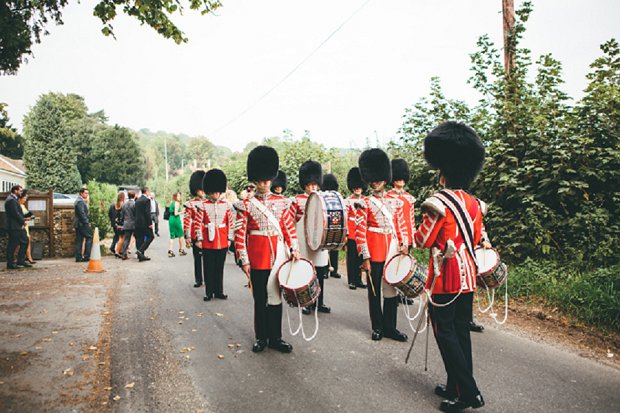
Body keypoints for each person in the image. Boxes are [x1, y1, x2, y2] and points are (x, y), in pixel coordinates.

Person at [414, 121, 490, 412]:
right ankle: (455, 383)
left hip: (446, 278)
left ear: (443, 170)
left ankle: (469, 393)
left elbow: (423, 240)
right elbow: (474, 236)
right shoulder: (474, 203)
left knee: (444, 333)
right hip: (468, 276)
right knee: (460, 333)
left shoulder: (438, 202)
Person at [234, 145, 300, 353]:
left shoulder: (282, 202)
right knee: (260, 299)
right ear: (255, 180)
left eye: (267, 179)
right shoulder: (246, 205)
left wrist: (294, 248)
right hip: (257, 257)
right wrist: (244, 260)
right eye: (261, 179)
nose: (264, 183)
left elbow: (289, 227)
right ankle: (261, 337)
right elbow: (239, 235)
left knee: (275, 298)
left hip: (278, 257)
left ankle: (275, 337)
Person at [356, 148, 409, 342]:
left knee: (391, 290)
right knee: (374, 290)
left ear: (385, 179)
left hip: (392, 249)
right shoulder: (365, 203)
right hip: (375, 250)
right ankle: (377, 326)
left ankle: (390, 327)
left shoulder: (395, 202)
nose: (375, 183)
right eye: (372, 180)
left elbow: (401, 225)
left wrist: (404, 244)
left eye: (378, 179)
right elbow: (361, 233)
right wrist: (365, 257)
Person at [290, 160, 331, 315]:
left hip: (319, 239)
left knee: (320, 272)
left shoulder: (323, 198)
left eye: (315, 184)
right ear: (305, 184)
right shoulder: (297, 200)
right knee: (307, 271)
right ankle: (307, 301)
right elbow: (292, 221)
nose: (313, 186)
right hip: (303, 241)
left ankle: (320, 301)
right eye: (310, 184)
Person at [196, 169, 233, 301]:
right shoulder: (203, 206)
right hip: (208, 241)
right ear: (209, 192)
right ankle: (208, 292)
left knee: (219, 268)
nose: (215, 194)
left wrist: (229, 238)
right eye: (213, 192)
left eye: (217, 192)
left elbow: (230, 223)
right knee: (208, 268)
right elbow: (198, 223)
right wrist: (199, 238)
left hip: (222, 240)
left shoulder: (226, 206)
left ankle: (219, 291)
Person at [387, 159, 416, 305]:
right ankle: (394, 293)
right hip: (395, 237)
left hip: (408, 236)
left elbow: (411, 219)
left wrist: (412, 237)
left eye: (403, 178)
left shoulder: (409, 198)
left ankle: (403, 293)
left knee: (405, 266)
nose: (401, 181)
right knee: (395, 264)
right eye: (398, 178)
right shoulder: (388, 197)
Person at [345, 167, 367, 290]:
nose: (357, 189)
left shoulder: (366, 200)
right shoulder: (348, 201)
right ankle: (352, 280)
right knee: (352, 257)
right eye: (355, 187)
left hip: (362, 233)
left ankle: (359, 279)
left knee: (361, 257)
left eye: (359, 187)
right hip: (352, 231)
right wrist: (347, 234)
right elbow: (347, 217)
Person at [184, 170, 206, 287]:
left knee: (208, 259)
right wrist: (187, 236)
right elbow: (187, 221)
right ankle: (198, 279)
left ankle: (208, 278)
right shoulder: (190, 204)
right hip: (195, 233)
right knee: (197, 258)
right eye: (200, 190)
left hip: (207, 232)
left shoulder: (209, 203)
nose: (202, 192)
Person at [321, 173, 343, 279]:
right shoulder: (322, 196)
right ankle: (325, 269)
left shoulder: (337, 196)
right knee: (325, 248)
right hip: (325, 223)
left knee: (335, 247)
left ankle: (334, 269)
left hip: (336, 222)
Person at [5, 185, 30, 269]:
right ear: (15, 191)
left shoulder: (14, 199)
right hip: (14, 226)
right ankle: (10, 263)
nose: (21, 193)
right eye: (20, 191)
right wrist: (23, 222)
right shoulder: (11, 200)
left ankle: (21, 261)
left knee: (25, 241)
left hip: (18, 226)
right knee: (12, 244)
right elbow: (15, 214)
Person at [134, 187, 155, 262]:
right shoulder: (147, 200)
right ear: (146, 191)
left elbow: (135, 211)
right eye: (148, 191)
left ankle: (141, 256)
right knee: (151, 236)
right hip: (144, 223)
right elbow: (147, 213)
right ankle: (140, 251)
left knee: (140, 238)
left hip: (137, 222)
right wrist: (150, 223)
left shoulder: (137, 200)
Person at [74, 188, 92, 263]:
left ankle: (78, 257)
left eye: (87, 193)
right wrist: (86, 222)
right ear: (81, 193)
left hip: (79, 224)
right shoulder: (80, 201)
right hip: (82, 224)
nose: (87, 195)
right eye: (85, 193)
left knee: (79, 240)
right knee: (89, 237)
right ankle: (87, 256)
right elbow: (82, 214)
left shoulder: (79, 200)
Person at [17, 191, 35, 264]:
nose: (25, 200)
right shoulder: (19, 206)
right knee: (20, 243)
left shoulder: (23, 206)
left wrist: (30, 216)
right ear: (20, 198)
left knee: (27, 241)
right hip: (21, 226)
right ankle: (24, 258)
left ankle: (28, 257)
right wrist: (27, 218)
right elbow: (20, 216)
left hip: (25, 225)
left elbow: (29, 214)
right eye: (24, 198)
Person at [167, 192, 186, 257]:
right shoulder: (177, 203)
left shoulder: (171, 202)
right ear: (176, 197)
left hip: (171, 219)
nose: (179, 197)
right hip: (176, 219)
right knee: (181, 234)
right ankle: (181, 250)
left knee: (172, 235)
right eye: (178, 196)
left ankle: (170, 251)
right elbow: (176, 213)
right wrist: (182, 212)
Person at [120, 191, 136, 260]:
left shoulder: (124, 204)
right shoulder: (135, 204)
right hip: (133, 224)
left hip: (126, 223)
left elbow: (122, 215)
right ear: (134, 196)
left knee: (126, 239)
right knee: (137, 238)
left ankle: (124, 253)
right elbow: (136, 214)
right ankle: (139, 252)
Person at [109, 192, 125, 257]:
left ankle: (112, 247)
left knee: (116, 235)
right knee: (121, 237)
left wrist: (112, 221)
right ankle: (119, 250)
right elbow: (123, 215)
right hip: (120, 224)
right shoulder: (123, 205)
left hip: (114, 223)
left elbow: (109, 214)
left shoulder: (113, 205)